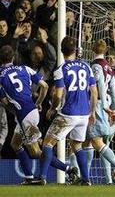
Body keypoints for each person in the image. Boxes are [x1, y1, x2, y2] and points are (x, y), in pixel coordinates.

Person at [0, 45, 76, 185]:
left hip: (24, 115)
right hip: (32, 111)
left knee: (35, 151)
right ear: (13, 58)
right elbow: (45, 86)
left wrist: (15, 110)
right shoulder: (25, 68)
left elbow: (4, 101)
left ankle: (69, 169)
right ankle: (29, 177)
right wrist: (39, 103)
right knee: (15, 144)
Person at [33, 36, 97, 185]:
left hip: (69, 113)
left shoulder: (60, 69)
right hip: (84, 114)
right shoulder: (86, 66)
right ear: (75, 50)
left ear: (61, 51)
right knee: (76, 145)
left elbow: (58, 95)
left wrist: (53, 108)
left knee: (48, 143)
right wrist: (92, 112)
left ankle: (41, 177)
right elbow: (94, 92)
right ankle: (86, 179)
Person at [85, 39, 115, 185]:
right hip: (104, 106)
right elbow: (113, 89)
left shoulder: (96, 66)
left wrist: (105, 106)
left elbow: (98, 86)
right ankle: (84, 177)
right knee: (86, 141)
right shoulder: (109, 68)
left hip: (97, 105)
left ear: (92, 49)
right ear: (105, 51)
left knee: (95, 141)